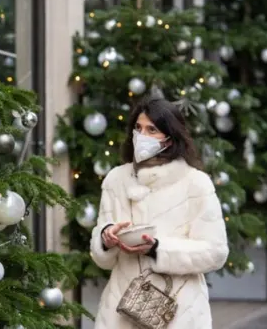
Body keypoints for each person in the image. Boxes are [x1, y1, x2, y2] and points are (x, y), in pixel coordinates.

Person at [89, 97, 229, 329]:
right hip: (120, 310)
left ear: (170, 137)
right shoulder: (116, 180)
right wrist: (106, 239)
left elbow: (215, 252)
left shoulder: (196, 183)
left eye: (151, 129)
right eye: (138, 128)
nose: (141, 135)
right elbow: (103, 260)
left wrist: (158, 249)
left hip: (180, 310)